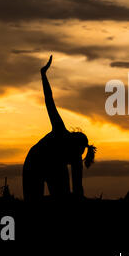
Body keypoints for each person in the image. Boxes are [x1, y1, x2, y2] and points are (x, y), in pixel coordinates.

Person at [23, 55, 96, 201]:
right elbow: (49, 100)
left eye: (78, 154)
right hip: (34, 162)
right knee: (32, 201)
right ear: (71, 141)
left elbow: (77, 188)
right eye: (76, 152)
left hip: (54, 168)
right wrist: (43, 75)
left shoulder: (76, 158)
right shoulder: (60, 131)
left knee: (63, 198)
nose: (75, 156)